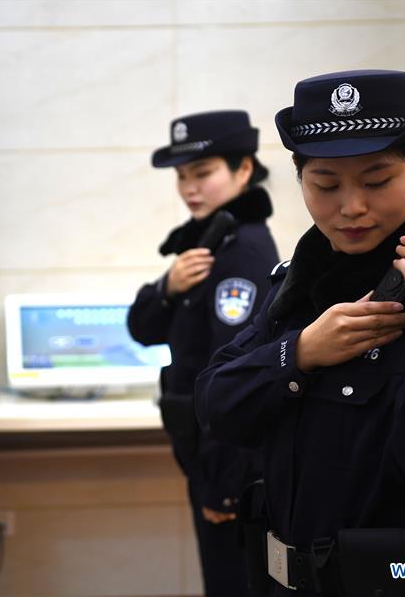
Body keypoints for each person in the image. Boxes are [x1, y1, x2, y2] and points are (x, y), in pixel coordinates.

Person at [195, 70, 405, 596]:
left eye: (375, 181)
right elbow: (217, 407)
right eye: (325, 184)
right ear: (300, 180)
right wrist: (298, 353)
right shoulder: (292, 287)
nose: (351, 207)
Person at [128, 110, 280, 596]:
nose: (190, 188)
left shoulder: (244, 253)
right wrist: (167, 288)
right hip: (207, 458)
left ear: (243, 170)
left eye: (204, 173)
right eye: (181, 176)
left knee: (233, 583)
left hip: (229, 469)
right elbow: (143, 329)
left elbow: (238, 376)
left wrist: (225, 484)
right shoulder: (207, 243)